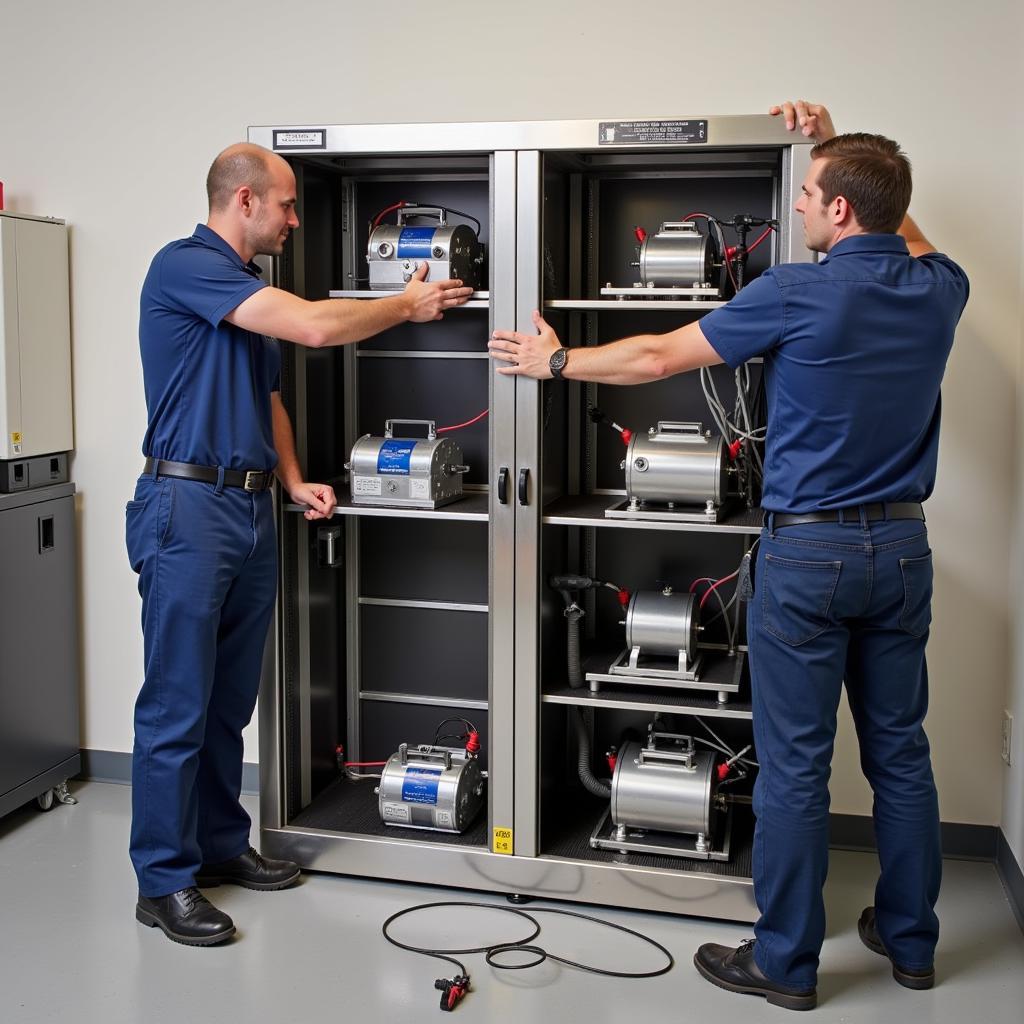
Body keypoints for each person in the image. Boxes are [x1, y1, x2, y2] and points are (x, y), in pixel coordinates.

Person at [489, 101, 968, 1010]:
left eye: (810, 191)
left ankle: (784, 964)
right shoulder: (941, 287)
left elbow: (658, 356)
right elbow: (900, 227)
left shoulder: (794, 292)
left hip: (812, 553)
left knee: (794, 763)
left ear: (837, 213)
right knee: (901, 754)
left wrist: (555, 364)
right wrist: (850, 151)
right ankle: (911, 944)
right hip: (902, 547)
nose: (796, 206)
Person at [127, 143, 472, 946]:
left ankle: (216, 847)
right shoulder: (185, 267)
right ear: (243, 200)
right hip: (186, 507)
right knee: (177, 703)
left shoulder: (250, 295)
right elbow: (319, 328)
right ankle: (162, 881)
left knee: (226, 702)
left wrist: (288, 479)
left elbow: (270, 396)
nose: (293, 217)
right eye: (284, 204)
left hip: (246, 511)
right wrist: (404, 307)